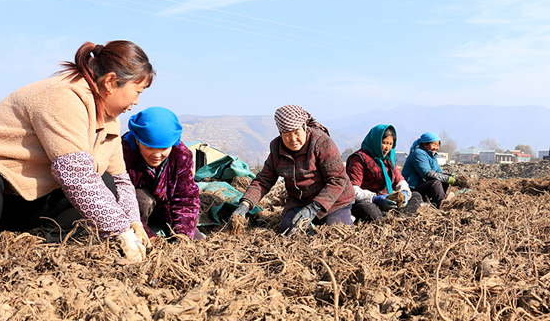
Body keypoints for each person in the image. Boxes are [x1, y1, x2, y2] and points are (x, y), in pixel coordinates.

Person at [0, 40, 154, 261]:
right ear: (111, 82)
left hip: (28, 201)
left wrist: (132, 221)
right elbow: (74, 175)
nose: (136, 101)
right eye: (137, 91)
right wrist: (119, 230)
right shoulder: (63, 96)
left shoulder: (109, 119)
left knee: (104, 182)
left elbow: (120, 179)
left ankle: (43, 247)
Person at [229, 104, 354, 234]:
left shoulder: (321, 142)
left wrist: (314, 207)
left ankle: (348, 215)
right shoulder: (276, 148)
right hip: (301, 201)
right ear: (280, 133)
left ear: (305, 127)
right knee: (289, 231)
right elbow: (263, 180)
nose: (293, 139)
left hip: (334, 202)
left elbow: (338, 179)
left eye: (297, 133)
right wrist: (244, 205)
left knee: (335, 232)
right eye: (287, 135)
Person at [122, 107, 203, 241]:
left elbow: (186, 198)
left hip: (166, 210)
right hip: (135, 210)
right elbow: (120, 196)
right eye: (149, 148)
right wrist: (147, 237)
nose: (157, 155)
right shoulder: (123, 153)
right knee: (144, 200)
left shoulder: (181, 156)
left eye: (164, 149)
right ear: (137, 140)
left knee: (195, 241)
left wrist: (182, 234)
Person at [346, 124, 422, 223]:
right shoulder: (359, 159)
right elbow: (352, 189)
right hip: (367, 201)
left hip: (388, 200)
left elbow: (399, 180)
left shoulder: (389, 159)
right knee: (367, 209)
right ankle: (382, 221)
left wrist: (404, 193)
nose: (388, 148)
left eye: (391, 144)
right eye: (385, 143)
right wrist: (375, 198)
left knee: (416, 196)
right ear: (376, 142)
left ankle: (399, 218)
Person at [401, 131, 456, 208]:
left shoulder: (432, 155)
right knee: (436, 183)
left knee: (443, 181)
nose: (436, 148)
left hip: (422, 184)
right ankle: (441, 203)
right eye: (433, 144)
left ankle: (436, 202)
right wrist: (448, 179)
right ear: (424, 144)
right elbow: (427, 174)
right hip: (413, 186)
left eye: (437, 145)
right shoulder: (418, 153)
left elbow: (439, 172)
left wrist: (451, 176)